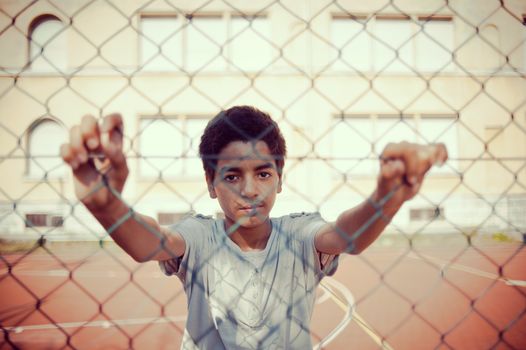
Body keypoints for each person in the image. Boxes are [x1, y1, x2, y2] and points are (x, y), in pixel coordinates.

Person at [60, 106, 447, 349]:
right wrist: (105, 204)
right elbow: (150, 243)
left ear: (281, 178)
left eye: (263, 173)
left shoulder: (299, 234)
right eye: (232, 176)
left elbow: (348, 235)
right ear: (211, 183)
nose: (249, 190)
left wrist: (385, 196)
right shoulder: (199, 236)